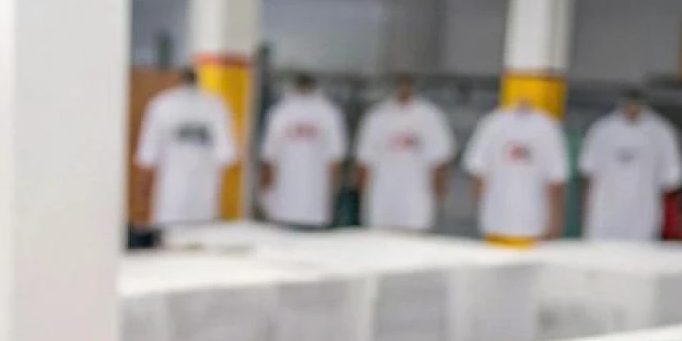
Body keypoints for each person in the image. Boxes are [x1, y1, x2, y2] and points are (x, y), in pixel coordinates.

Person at [577, 89, 682, 244]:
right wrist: (585, 218)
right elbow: (588, 176)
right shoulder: (601, 130)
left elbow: (672, 180)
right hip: (603, 220)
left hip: (643, 220)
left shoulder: (662, 132)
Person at [134, 67, 238, 229]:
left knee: (169, 239)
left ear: (177, 80)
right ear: (198, 81)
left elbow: (147, 158)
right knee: (202, 239)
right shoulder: (217, 106)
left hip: (170, 198)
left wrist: (141, 201)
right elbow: (226, 156)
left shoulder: (161, 104)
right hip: (204, 199)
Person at [352, 74, 455, 233]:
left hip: (417, 200)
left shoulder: (430, 116)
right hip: (382, 199)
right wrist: (363, 199)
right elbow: (364, 162)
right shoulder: (377, 116)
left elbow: (439, 163)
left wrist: (437, 200)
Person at [462, 96, 570, 243]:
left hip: (528, 226)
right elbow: (478, 173)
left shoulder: (546, 126)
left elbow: (556, 182)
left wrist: (554, 224)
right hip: (506, 224)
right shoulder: (494, 122)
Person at [258, 73, 348, 229]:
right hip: (312, 204)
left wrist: (265, 197)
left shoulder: (280, 111)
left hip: (287, 204)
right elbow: (335, 161)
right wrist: (332, 194)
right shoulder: (329, 112)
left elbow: (269, 159)